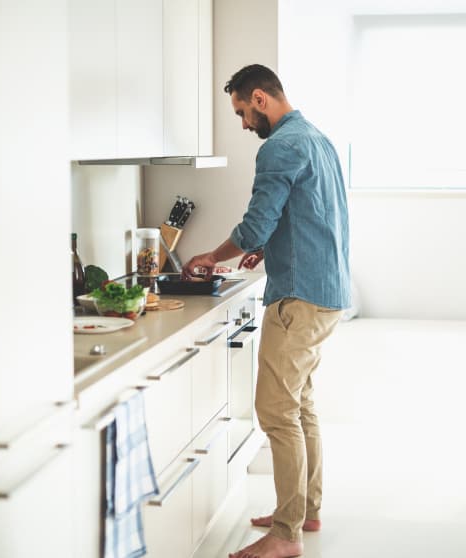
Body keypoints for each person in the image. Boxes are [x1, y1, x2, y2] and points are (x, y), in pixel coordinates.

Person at [181, 64, 350, 558]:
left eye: (240, 112)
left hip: (299, 296)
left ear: (259, 98)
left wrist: (214, 256)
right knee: (299, 407)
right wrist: (269, 247)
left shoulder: (279, 146)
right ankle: (303, 510)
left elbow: (257, 222)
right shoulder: (315, 137)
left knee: (276, 411)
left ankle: (285, 535)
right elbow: (310, 213)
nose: (242, 124)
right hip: (326, 290)